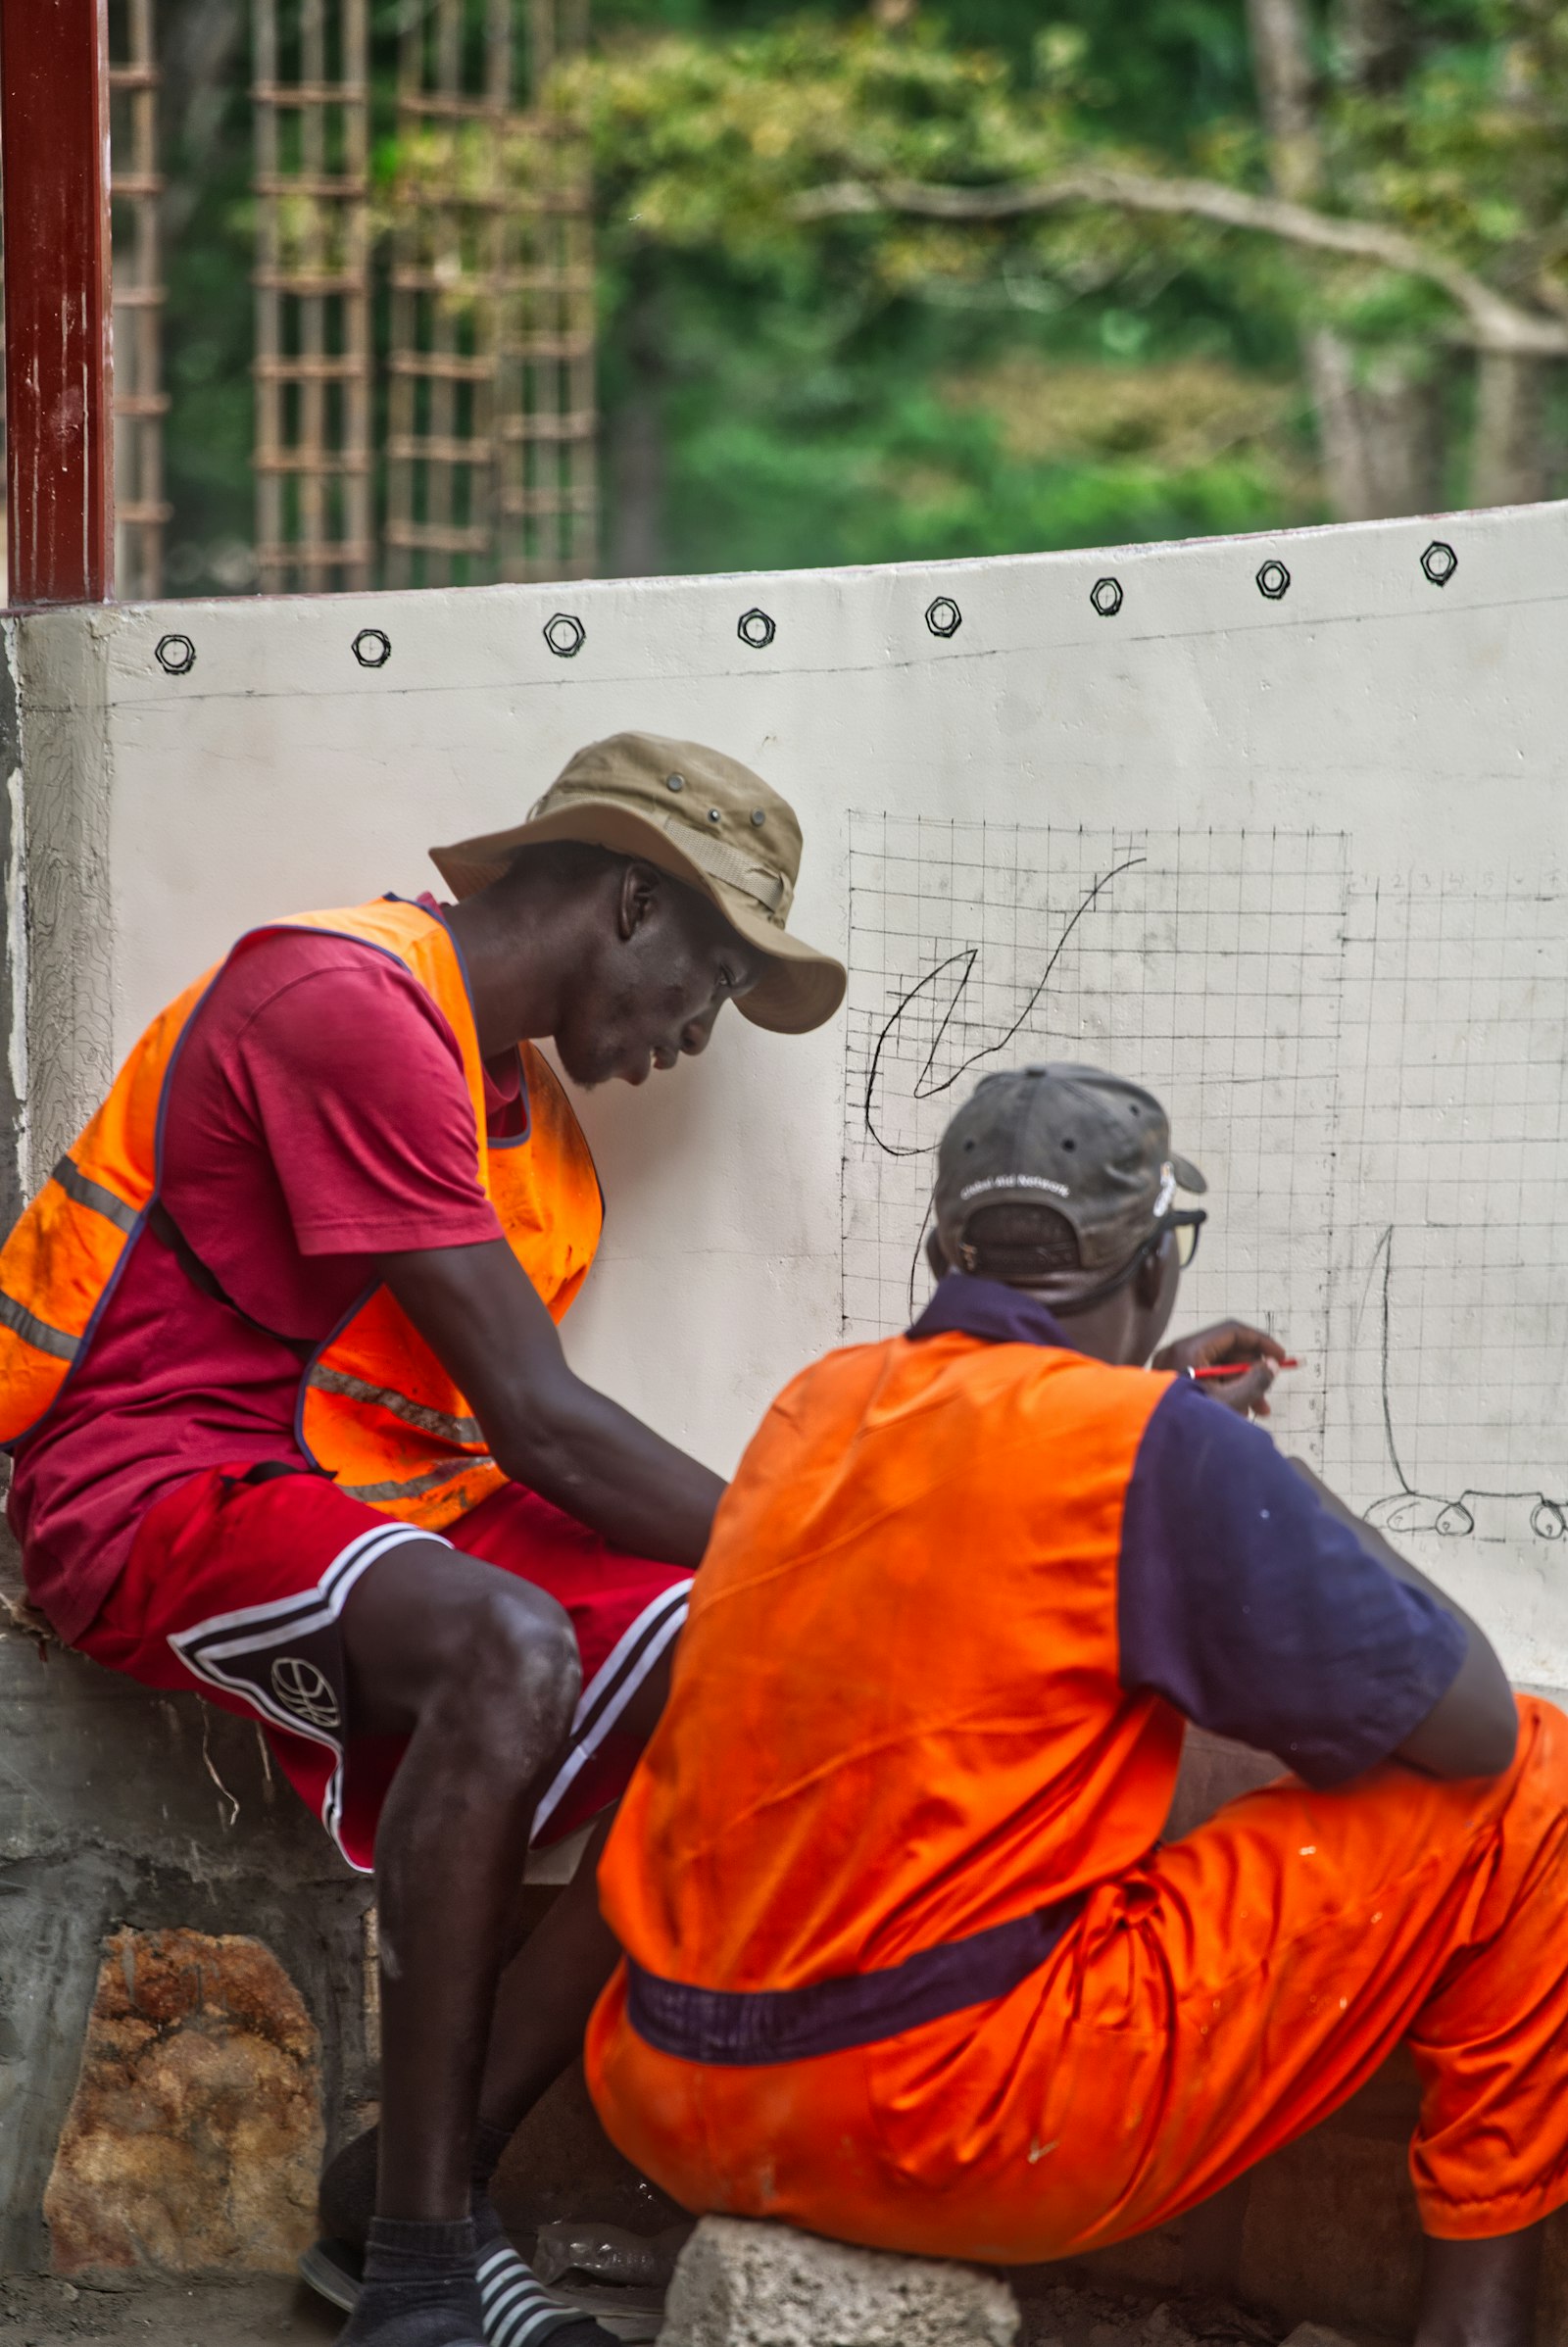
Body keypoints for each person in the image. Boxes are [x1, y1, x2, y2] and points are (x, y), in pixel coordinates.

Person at [0, 732, 845, 2347]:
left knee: (758, 1662)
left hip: (304, 1484)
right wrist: (837, 1549)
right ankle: (423, 2262)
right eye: (713, 980)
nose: (695, 1032)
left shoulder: (501, 1094)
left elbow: (500, 1438)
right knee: (521, 1639)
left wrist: (793, 1588)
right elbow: (539, 1423)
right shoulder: (346, 1004)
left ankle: (406, 2185)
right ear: (625, 902)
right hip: (133, 1484)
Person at [587, 1062, 1567, 2347]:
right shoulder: (1146, 1446)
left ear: (947, 1249)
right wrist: (1243, 1464)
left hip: (665, 2092)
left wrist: (1163, 1421)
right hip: (943, 2127)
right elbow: (1472, 1724)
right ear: (1157, 1266)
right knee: (1539, 1785)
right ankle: (1481, 2324)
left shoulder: (814, 1404)